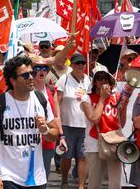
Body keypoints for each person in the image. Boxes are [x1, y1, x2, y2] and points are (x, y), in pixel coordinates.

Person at [0, 56, 59, 188]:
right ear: (13, 80)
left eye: (32, 73)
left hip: (37, 177)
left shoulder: (40, 100)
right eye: (25, 75)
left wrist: (45, 130)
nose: (31, 77)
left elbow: (54, 134)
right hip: (7, 177)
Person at [80, 70, 128, 189]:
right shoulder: (87, 98)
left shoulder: (116, 97)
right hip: (95, 143)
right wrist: (102, 99)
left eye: (106, 79)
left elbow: (122, 122)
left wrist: (124, 107)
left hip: (114, 142)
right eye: (100, 79)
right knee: (95, 182)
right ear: (95, 82)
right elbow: (94, 118)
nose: (103, 82)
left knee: (115, 183)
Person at [54, 53, 91, 189]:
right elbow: (57, 101)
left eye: (82, 63)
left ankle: (81, 186)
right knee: (67, 156)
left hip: (85, 125)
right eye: (77, 63)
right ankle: (64, 180)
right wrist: (57, 118)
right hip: (67, 124)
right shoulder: (64, 79)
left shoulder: (89, 80)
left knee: (82, 157)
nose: (80, 66)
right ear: (72, 65)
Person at [31, 56, 58, 180]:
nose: (41, 71)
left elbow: (56, 116)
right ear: (31, 71)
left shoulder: (51, 90)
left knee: (43, 178)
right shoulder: (26, 91)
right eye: (37, 68)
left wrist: (61, 136)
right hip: (29, 141)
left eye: (44, 68)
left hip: (47, 141)